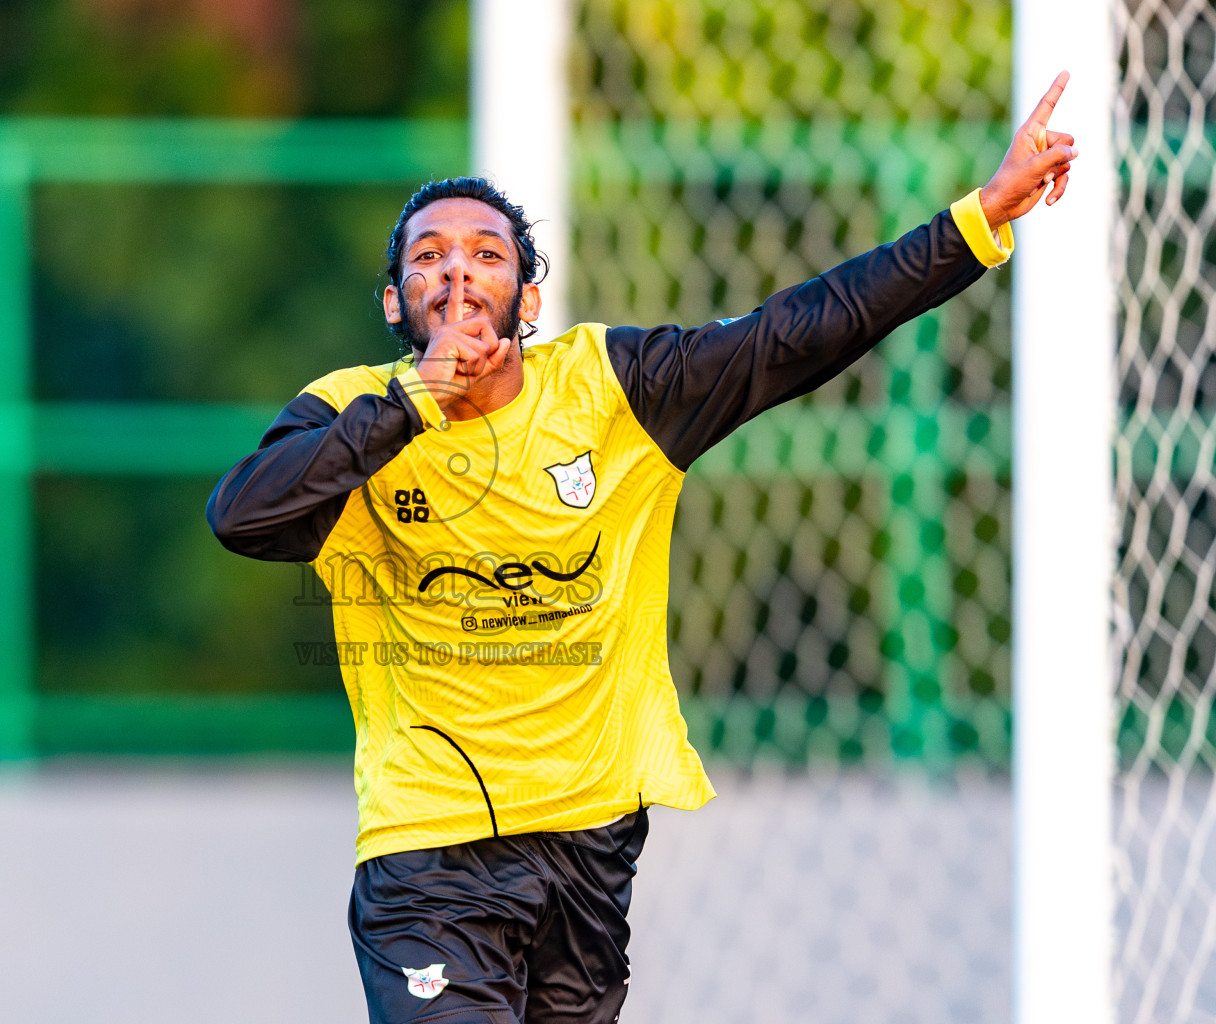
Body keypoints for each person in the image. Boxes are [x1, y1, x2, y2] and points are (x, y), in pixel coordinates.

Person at [207, 71, 1077, 1024]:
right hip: (430, 855)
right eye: (429, 257)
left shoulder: (615, 390)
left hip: (590, 847)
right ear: (392, 301)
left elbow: (803, 329)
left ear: (527, 298)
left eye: (487, 254)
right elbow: (243, 517)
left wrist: (976, 222)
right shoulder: (350, 411)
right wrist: (413, 404)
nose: (458, 273)